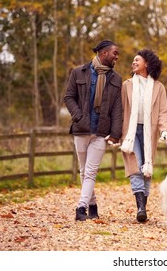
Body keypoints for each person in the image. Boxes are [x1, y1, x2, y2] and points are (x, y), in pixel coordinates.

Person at [63, 40, 123, 221]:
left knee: (90, 171)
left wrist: (115, 133)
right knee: (84, 170)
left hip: (101, 132)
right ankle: (93, 205)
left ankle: (81, 208)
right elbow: (68, 97)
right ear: (104, 53)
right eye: (115, 53)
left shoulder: (116, 79)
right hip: (81, 129)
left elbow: (117, 109)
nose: (117, 57)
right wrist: (78, 116)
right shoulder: (78, 72)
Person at [120, 49, 167, 222]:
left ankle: (143, 207)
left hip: (150, 133)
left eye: (137, 60)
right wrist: (113, 132)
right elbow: (119, 110)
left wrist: (164, 130)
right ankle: (140, 207)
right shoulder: (127, 85)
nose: (133, 62)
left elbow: (163, 112)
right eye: (133, 60)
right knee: (136, 166)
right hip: (130, 133)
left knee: (146, 169)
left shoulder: (158, 87)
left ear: (147, 63)